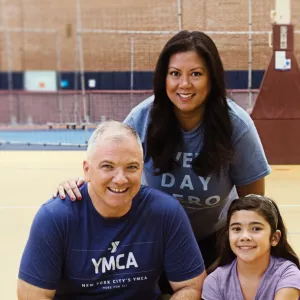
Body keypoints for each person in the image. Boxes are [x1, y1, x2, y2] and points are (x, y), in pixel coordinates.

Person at [53, 30, 271, 290]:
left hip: (212, 241)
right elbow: (109, 165)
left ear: (212, 78)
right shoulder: (143, 118)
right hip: (151, 239)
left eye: (196, 74)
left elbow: (254, 205)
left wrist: (229, 261)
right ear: (163, 77)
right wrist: (81, 183)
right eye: (175, 73)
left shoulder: (236, 126)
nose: (185, 84)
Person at [17, 121, 206, 300]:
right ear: (87, 169)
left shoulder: (166, 213)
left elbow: (191, 286)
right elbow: (32, 295)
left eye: (131, 167)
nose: (120, 179)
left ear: (142, 170)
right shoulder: (55, 217)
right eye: (108, 166)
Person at [202, 194, 300, 300]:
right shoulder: (215, 281)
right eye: (237, 229)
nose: (245, 237)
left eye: (256, 228)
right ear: (228, 235)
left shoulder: (288, 274)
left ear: (274, 238)